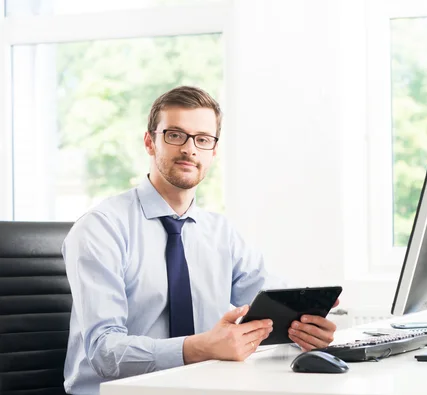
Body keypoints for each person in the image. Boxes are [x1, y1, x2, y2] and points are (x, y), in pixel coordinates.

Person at [62, 86, 338, 395]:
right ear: (150, 142)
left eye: (203, 139)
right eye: (175, 135)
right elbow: (103, 351)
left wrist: (304, 326)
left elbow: (271, 299)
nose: (190, 149)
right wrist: (198, 348)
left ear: (213, 151)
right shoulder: (101, 229)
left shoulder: (221, 233)